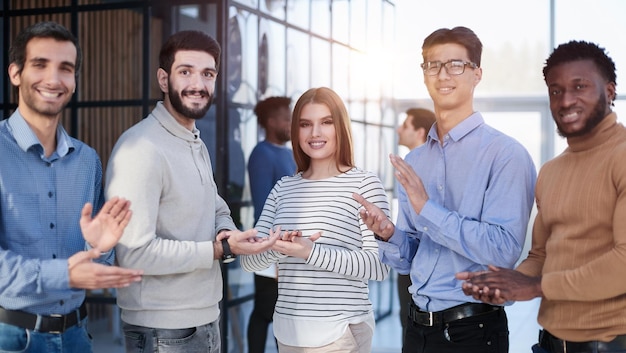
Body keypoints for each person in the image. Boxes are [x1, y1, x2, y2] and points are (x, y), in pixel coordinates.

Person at [353, 26, 536, 353]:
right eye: (433, 65)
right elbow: (409, 259)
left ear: (477, 74)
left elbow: (503, 250)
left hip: (473, 330)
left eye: (456, 65)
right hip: (417, 328)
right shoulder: (417, 160)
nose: (442, 74)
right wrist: (389, 235)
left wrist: (427, 209)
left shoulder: (506, 155)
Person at [105, 30, 277, 353]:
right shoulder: (141, 149)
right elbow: (135, 253)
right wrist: (216, 250)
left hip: (203, 319)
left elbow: (216, 208)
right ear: (163, 78)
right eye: (185, 72)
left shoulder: (193, 142)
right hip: (162, 330)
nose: (198, 84)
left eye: (208, 74)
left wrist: (228, 234)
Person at [457, 40, 626, 353]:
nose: (565, 101)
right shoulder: (550, 171)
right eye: (556, 90)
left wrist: (535, 287)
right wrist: (505, 286)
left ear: (611, 91)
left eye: (580, 86)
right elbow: (541, 256)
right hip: (549, 343)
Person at [0, 21, 142, 353]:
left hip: (78, 336)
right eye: (40, 65)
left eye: (65, 68)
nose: (53, 79)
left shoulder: (87, 160)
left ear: (75, 81)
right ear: (15, 73)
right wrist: (64, 274)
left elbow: (95, 261)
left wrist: (102, 249)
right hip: (12, 339)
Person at [240, 87, 390, 353]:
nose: (315, 133)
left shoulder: (365, 185)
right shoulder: (283, 189)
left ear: (340, 127)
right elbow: (250, 261)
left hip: (340, 334)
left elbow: (379, 266)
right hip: (288, 335)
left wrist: (310, 252)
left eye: (326, 123)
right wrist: (274, 245)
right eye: (305, 124)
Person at [246, 96, 296, 353]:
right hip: (270, 247)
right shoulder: (261, 154)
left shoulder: (288, 153)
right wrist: (274, 255)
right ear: (270, 121)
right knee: (266, 312)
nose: (291, 124)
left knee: (280, 312)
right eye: (287, 119)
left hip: (285, 246)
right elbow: (264, 206)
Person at [394, 107, 436, 342]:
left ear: (420, 132)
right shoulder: (408, 164)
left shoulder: (427, 168)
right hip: (408, 258)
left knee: (412, 325)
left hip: (420, 262)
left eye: (405, 125)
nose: (399, 129)